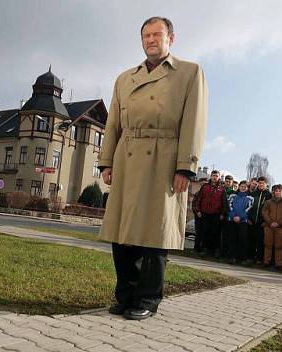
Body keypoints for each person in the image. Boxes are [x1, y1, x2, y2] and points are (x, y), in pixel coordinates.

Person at [98, 16, 208, 320]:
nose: (150, 40)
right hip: (127, 156)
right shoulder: (124, 78)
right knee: (122, 232)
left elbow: (194, 122)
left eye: (157, 34)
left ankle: (147, 298)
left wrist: (186, 167)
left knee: (154, 234)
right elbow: (113, 124)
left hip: (164, 158)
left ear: (171, 38)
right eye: (145, 35)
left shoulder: (189, 72)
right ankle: (125, 294)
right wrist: (106, 161)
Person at [262, 184, 282, 271]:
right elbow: (264, 212)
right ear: (273, 192)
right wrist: (270, 222)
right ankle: (266, 262)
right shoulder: (268, 202)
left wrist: (279, 223)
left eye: (280, 191)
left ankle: (278, 264)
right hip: (269, 226)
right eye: (276, 191)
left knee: (279, 246)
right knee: (268, 244)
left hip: (281, 228)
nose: (278, 192)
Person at [194, 170, 224, 257]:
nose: (215, 177)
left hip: (216, 214)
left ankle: (215, 251)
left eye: (216, 176)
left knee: (215, 232)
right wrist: (198, 211)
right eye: (213, 175)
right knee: (205, 232)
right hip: (205, 213)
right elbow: (199, 199)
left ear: (219, 177)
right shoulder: (204, 187)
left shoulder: (221, 188)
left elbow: (224, 202)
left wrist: (223, 213)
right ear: (211, 176)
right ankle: (205, 249)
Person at [227, 180, 254, 264]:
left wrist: (240, 217)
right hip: (232, 220)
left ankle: (242, 259)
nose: (243, 188)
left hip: (243, 222)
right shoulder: (232, 196)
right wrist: (234, 216)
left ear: (247, 188)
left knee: (243, 239)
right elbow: (230, 207)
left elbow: (248, 210)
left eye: (245, 187)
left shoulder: (250, 198)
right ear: (239, 186)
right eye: (241, 186)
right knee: (232, 239)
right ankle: (232, 257)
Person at [248, 177, 271, 263]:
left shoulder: (269, 195)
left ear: (266, 184)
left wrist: (266, 221)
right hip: (252, 221)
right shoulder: (254, 194)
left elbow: (270, 210)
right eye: (259, 183)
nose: (261, 185)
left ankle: (259, 258)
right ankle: (250, 257)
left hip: (262, 223)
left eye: (263, 183)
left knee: (260, 241)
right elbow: (249, 206)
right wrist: (249, 218)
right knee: (251, 240)